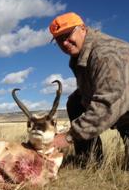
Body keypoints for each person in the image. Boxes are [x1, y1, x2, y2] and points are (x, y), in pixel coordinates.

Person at [49, 12, 129, 169]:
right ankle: (89, 160)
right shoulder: (81, 55)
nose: (64, 43)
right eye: (59, 40)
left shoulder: (104, 55)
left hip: (123, 111)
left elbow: (106, 105)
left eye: (67, 35)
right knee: (75, 101)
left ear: (83, 28)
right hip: (123, 111)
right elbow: (91, 93)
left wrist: (68, 137)